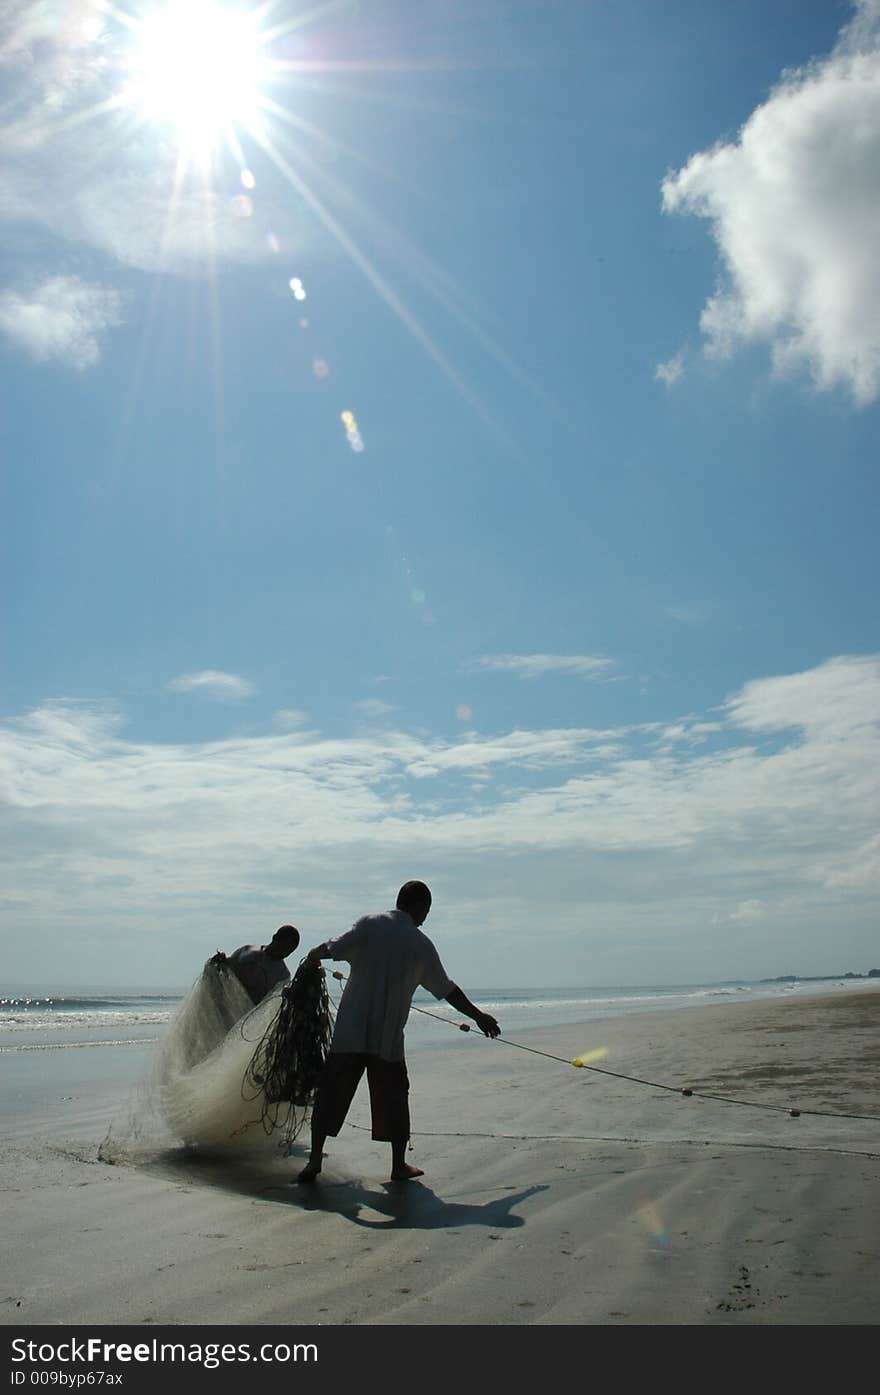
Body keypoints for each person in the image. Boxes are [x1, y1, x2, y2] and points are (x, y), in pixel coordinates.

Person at [296, 881, 499, 1183]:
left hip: (350, 1032)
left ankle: (314, 1162)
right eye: (426, 910)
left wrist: (313, 956)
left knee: (331, 1093)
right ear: (417, 905)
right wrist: (479, 1015)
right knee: (394, 1097)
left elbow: (332, 948)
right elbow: (448, 990)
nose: (425, 917)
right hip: (387, 1039)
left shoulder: (370, 925)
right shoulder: (420, 944)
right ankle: (398, 1165)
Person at [220, 925, 301, 1006]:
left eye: (289, 951)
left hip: (248, 1014)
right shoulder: (247, 951)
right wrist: (221, 960)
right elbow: (227, 968)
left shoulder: (283, 976)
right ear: (274, 938)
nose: (284, 952)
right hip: (228, 1002)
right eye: (283, 946)